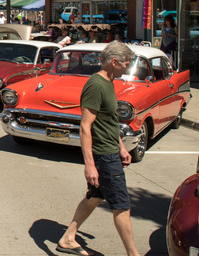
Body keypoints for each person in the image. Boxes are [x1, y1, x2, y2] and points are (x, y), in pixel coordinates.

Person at [57, 42, 138, 256]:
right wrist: (90, 165)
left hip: (111, 151)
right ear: (114, 62)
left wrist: (121, 147)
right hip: (104, 156)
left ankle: (68, 237)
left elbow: (109, 121)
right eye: (126, 64)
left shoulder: (109, 82)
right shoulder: (96, 85)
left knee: (95, 197)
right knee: (122, 205)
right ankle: (133, 254)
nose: (127, 68)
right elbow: (85, 126)